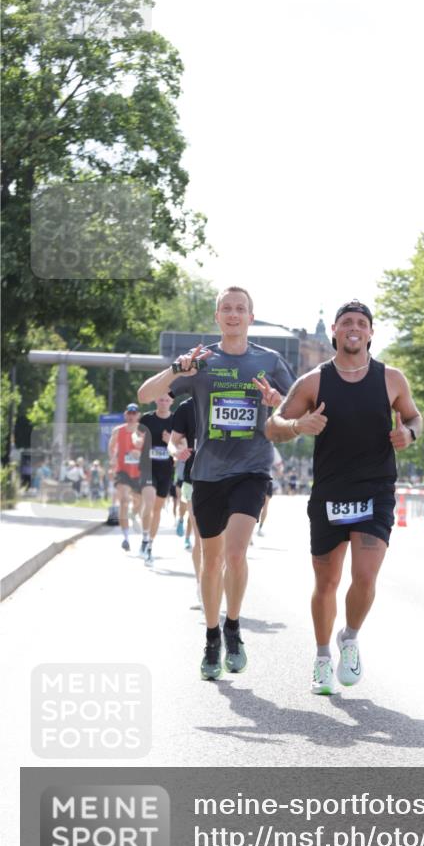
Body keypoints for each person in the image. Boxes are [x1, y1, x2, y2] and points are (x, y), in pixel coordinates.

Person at [137, 286, 295, 680]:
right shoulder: (201, 362)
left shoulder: (269, 360)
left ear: (250, 317)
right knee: (212, 561)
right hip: (207, 473)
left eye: (240, 308)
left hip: (251, 469)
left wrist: (277, 402)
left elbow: (297, 409)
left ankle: (233, 627)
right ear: (217, 316)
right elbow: (146, 394)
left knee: (236, 554)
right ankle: (211, 637)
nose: (233, 314)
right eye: (226, 308)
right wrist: (176, 370)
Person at [266, 299, 422, 695]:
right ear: (334, 330)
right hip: (330, 492)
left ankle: (349, 637)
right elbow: (273, 426)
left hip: (376, 489)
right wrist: (298, 426)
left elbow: (415, 417)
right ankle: (322, 658)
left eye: (361, 323)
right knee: (327, 581)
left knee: (365, 577)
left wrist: (409, 433)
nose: (354, 328)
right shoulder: (313, 381)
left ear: (371, 333)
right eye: (347, 322)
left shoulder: (391, 379)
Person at [168, 395, 204, 603]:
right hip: (194, 478)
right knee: (202, 537)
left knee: (223, 542)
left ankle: (214, 580)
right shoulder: (187, 407)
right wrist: (177, 452)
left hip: (227, 479)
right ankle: (201, 585)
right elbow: (172, 443)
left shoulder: (230, 399)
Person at [108, 404, 151, 551]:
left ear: (138, 415)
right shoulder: (118, 431)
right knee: (124, 500)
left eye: (134, 413)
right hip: (123, 471)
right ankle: (126, 538)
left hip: (139, 472)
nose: (132, 416)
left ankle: (134, 514)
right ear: (125, 415)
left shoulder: (144, 431)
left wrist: (141, 454)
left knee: (139, 503)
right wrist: (113, 459)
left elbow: (150, 449)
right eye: (129, 413)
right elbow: (111, 447)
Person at [138, 394, 174, 566]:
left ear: (172, 402)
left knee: (157, 509)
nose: (164, 402)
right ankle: (145, 537)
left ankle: (150, 543)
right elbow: (136, 436)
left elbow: (182, 444)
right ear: (155, 400)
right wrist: (139, 441)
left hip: (166, 471)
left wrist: (170, 441)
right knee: (149, 502)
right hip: (148, 468)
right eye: (161, 399)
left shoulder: (176, 420)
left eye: (167, 400)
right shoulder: (147, 419)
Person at [256, 445, 284, 537]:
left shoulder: (252, 444)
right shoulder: (272, 448)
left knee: (253, 506)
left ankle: (250, 531)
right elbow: (280, 467)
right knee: (265, 506)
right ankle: (259, 529)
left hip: (253, 479)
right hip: (267, 479)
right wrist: (277, 473)